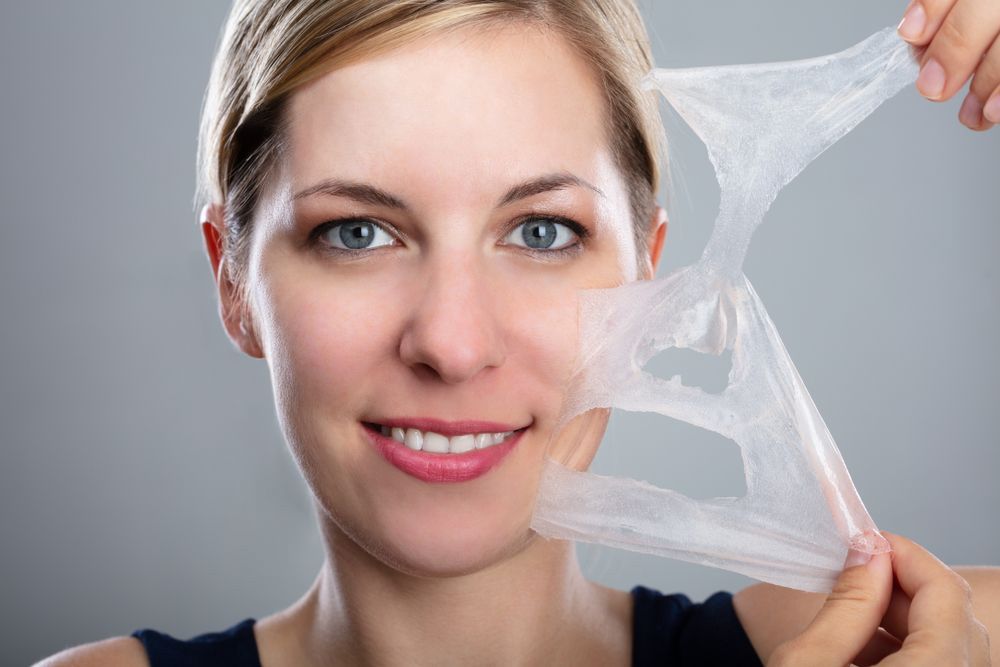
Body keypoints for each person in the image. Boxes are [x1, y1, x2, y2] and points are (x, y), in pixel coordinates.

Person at [38, 1, 1000, 665]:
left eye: (542, 232)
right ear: (233, 282)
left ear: (649, 277)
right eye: (356, 232)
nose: (453, 345)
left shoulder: (925, 643)